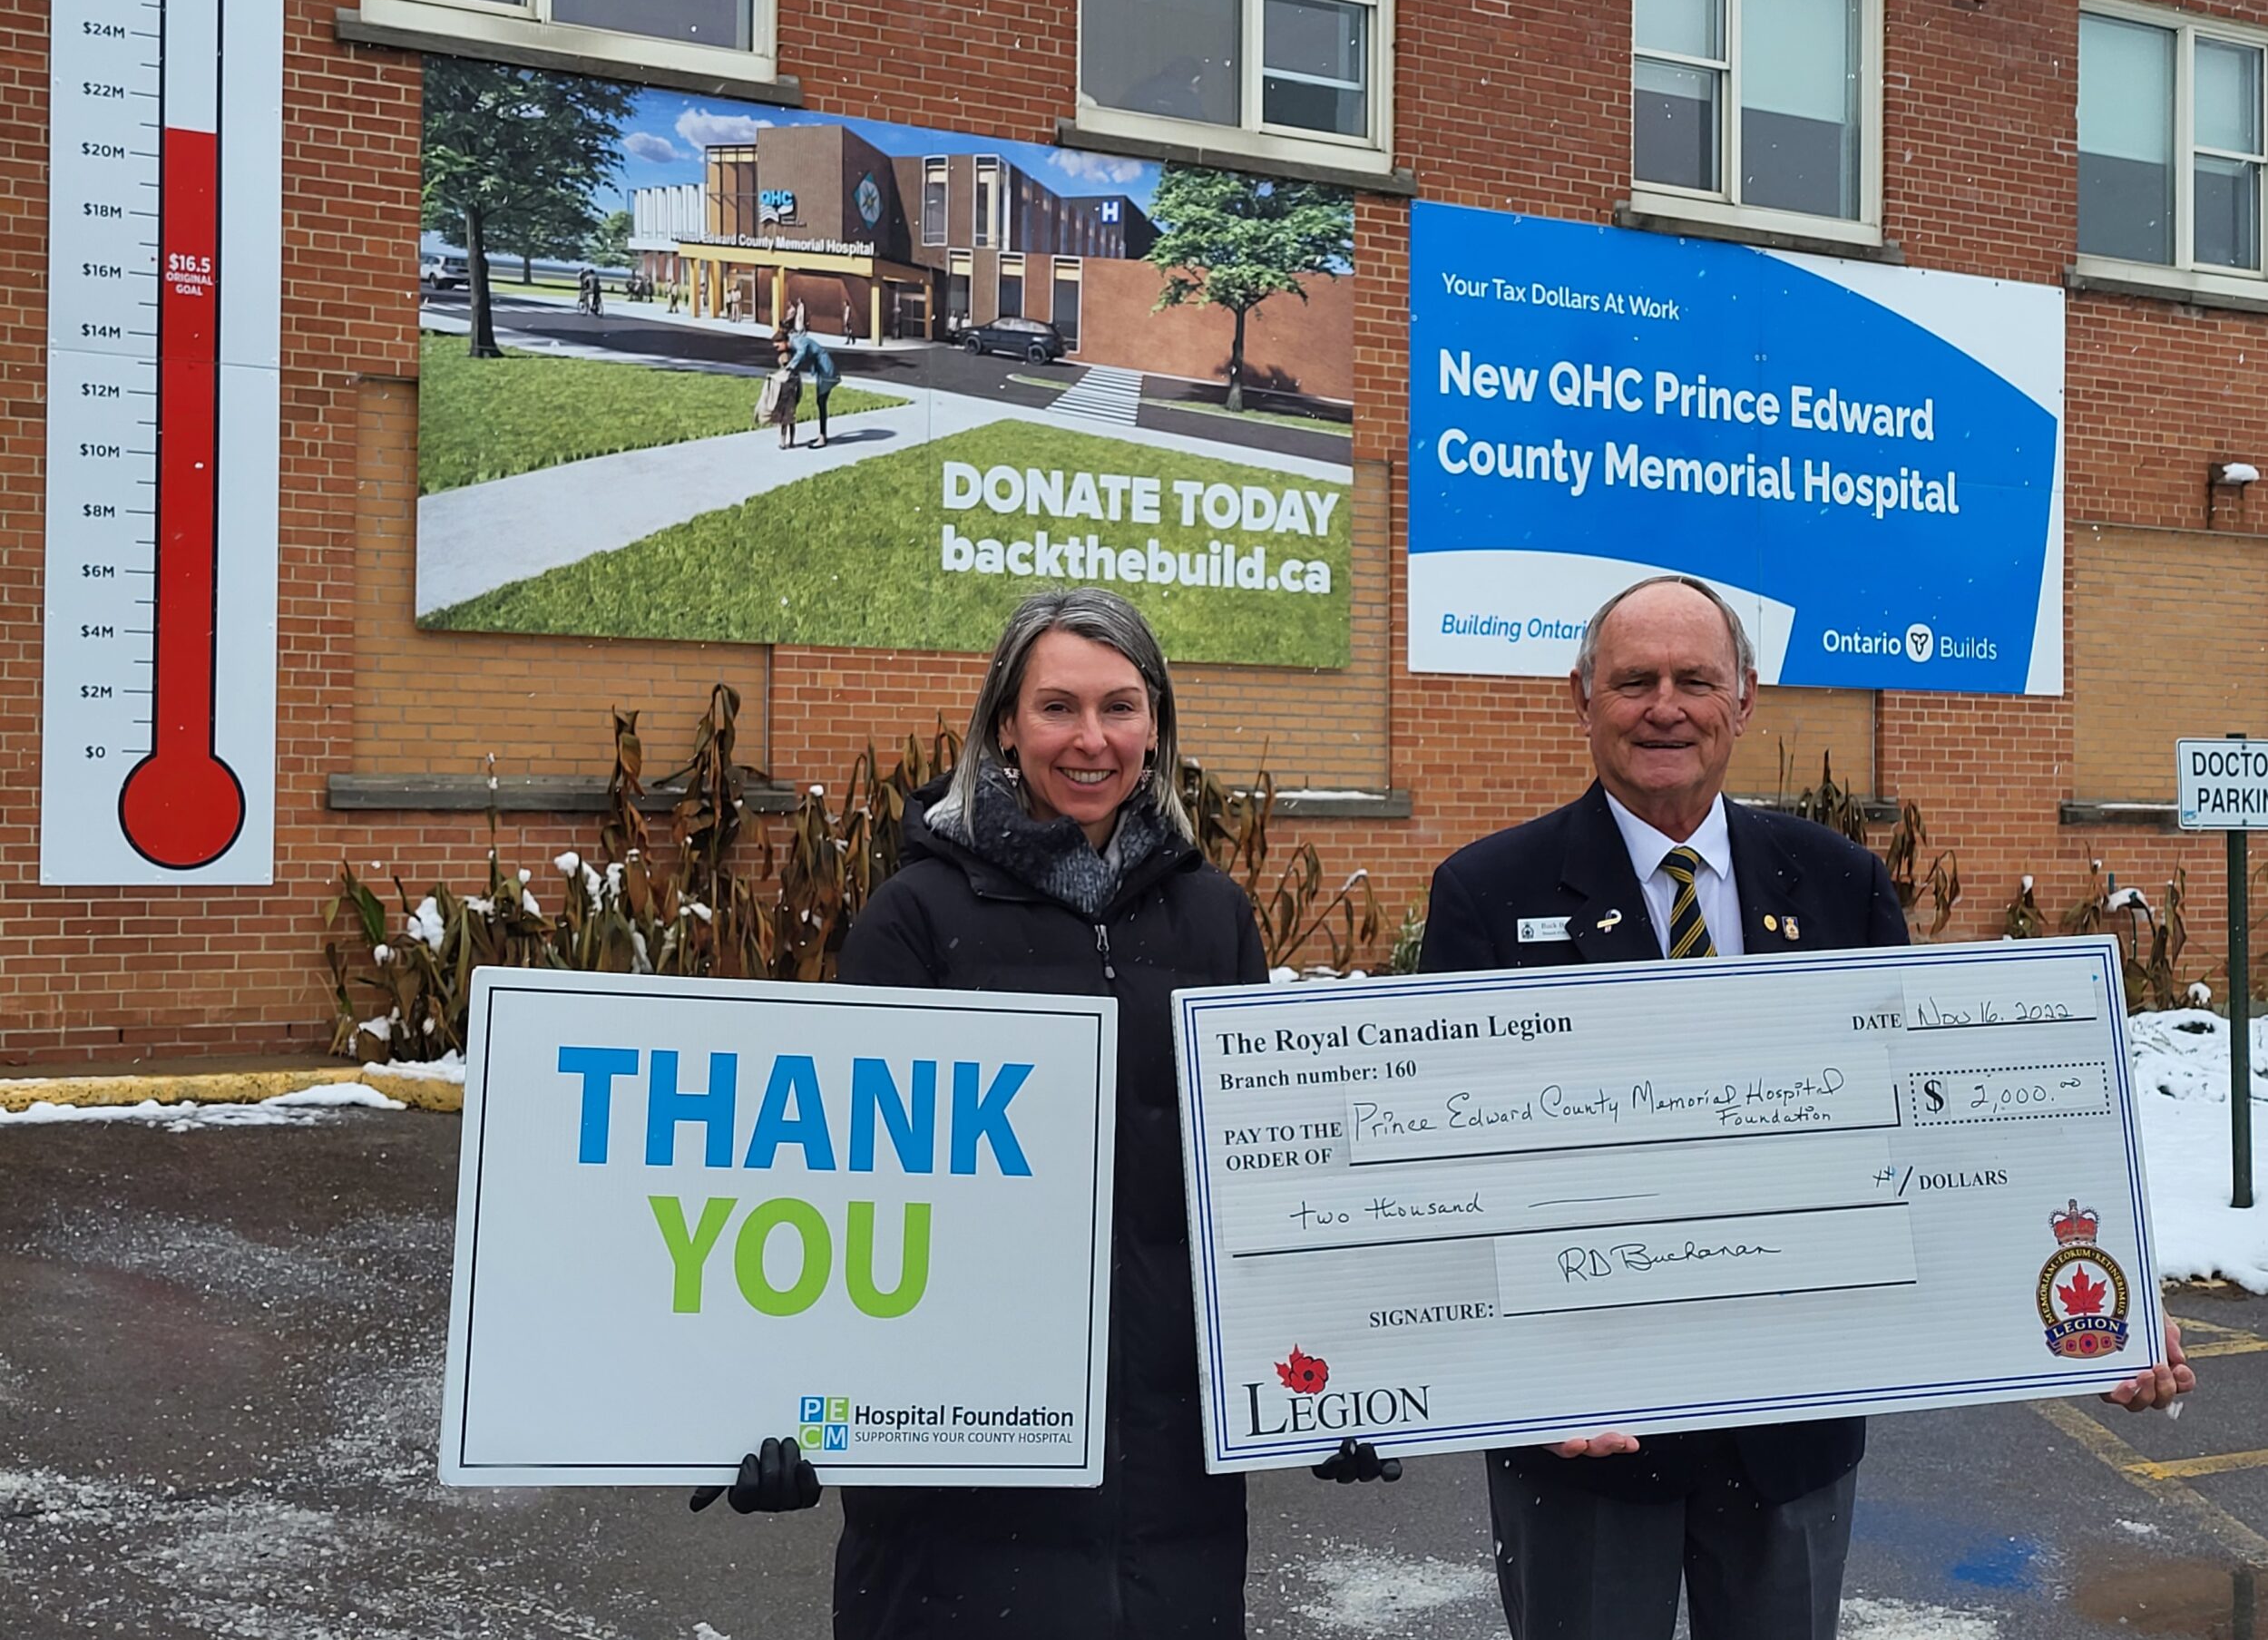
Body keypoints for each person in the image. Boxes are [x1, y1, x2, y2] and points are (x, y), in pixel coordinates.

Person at [1419, 572, 2197, 1640]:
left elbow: (1933, 1134)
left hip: (1790, 1434)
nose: (1664, 707)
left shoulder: (1839, 885)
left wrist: (2097, 1312)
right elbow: (1450, 1173)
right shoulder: (1486, 893)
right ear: (1581, 698)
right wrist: (1509, 1376)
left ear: (1743, 699)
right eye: (1634, 681)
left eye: (1695, 680)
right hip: (1584, 1427)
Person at [691, 590, 1397, 1635]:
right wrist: (767, 1405)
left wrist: (1347, 1382)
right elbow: (835, 1192)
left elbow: (1263, 1186)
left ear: (1155, 725)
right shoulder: (915, 919)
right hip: (957, 1496)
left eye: (1119, 707)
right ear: (1005, 727)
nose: (1090, 739)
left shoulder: (1213, 917)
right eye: (1057, 707)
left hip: (1170, 1498)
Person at [780, 327, 840, 449]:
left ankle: (822, 437)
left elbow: (802, 352)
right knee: (821, 402)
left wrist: (790, 366)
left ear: (784, 342)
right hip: (822, 369)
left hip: (826, 369)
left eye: (777, 346)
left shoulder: (796, 342)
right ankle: (822, 435)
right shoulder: (795, 341)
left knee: (821, 401)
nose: (777, 349)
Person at [761, 335, 803, 448]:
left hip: (786, 399)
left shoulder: (783, 375)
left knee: (786, 422)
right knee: (789, 421)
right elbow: (799, 388)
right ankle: (789, 442)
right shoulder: (793, 374)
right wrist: (798, 398)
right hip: (789, 400)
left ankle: (785, 442)